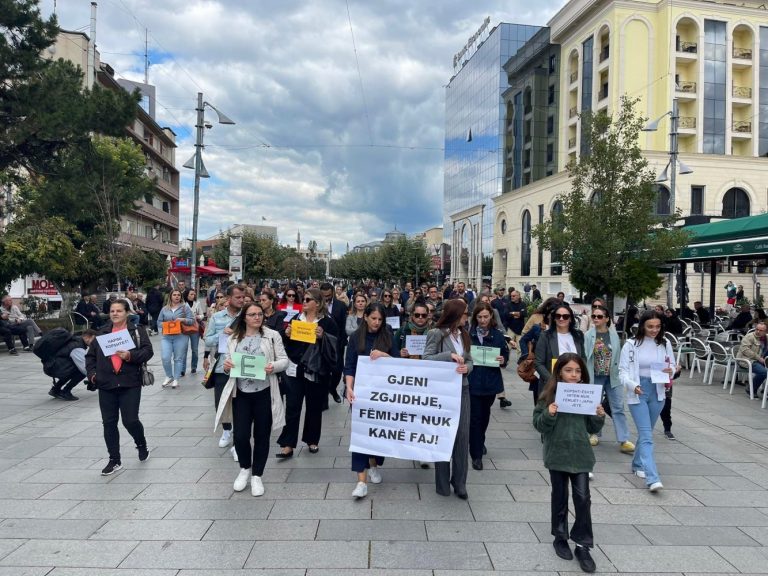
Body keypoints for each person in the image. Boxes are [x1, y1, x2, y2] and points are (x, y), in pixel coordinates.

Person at [533, 353, 605, 573]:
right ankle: (560, 536)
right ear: (559, 373)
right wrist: (550, 412)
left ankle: (583, 544)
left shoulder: (587, 394)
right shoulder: (548, 395)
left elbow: (592, 428)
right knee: (560, 496)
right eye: (568, 370)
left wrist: (599, 415)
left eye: (577, 371)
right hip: (558, 454)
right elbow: (538, 424)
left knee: (583, 498)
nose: (574, 375)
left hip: (581, 455)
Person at [218, 303, 288, 497]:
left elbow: (284, 360)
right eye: (252, 314)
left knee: (262, 435)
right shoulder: (233, 338)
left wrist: (272, 366)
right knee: (240, 435)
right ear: (244, 318)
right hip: (241, 393)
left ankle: (257, 475)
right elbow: (227, 363)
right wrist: (227, 366)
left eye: (259, 314)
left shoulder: (272, 336)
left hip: (264, 392)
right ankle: (244, 469)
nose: (257, 317)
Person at [85, 298, 153, 475]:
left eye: (119, 311)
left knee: (130, 420)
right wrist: (92, 375)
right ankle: (114, 459)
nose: (115, 314)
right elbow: (90, 357)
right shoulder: (101, 333)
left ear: (127, 313)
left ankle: (141, 442)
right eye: (112, 311)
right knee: (109, 422)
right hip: (106, 383)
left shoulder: (136, 331)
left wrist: (130, 355)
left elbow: (148, 351)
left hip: (130, 382)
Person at [276, 288, 339, 457]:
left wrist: (323, 336)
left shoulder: (327, 322)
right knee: (293, 406)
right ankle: (288, 443)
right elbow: (286, 345)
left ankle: (312, 440)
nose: (303, 302)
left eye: (308, 299)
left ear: (317, 304)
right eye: (303, 299)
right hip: (295, 368)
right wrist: (286, 334)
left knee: (314, 407)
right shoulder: (296, 319)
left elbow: (336, 346)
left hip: (316, 370)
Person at [619, 310, 676, 492]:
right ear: (642, 325)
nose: (654, 330)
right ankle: (652, 478)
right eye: (650, 326)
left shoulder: (664, 343)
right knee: (646, 436)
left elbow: (672, 366)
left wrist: (672, 371)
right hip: (638, 390)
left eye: (658, 327)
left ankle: (637, 464)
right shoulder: (631, 344)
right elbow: (622, 371)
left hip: (657, 390)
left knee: (646, 433)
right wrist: (631, 385)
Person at [344, 302, 397, 498]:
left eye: (380, 319)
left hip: (383, 394)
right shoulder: (356, 337)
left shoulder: (388, 336)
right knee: (360, 434)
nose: (376, 322)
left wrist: (384, 355)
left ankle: (374, 463)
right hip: (360, 393)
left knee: (378, 433)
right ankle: (361, 481)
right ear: (365, 317)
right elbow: (349, 366)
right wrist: (349, 387)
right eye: (373, 318)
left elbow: (399, 364)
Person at [423, 298, 473, 499]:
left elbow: (470, 360)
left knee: (462, 438)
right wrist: (448, 356)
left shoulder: (464, 335)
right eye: (464, 313)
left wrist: (467, 368)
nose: (467, 316)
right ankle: (442, 482)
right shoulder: (436, 333)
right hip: (442, 392)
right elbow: (426, 359)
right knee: (443, 437)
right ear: (455, 314)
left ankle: (460, 482)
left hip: (462, 390)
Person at [584, 304, 634, 453]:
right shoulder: (588, 335)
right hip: (595, 376)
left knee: (618, 407)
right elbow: (585, 356)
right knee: (594, 406)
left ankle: (624, 439)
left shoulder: (613, 335)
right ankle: (593, 433)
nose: (596, 319)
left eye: (599, 316)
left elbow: (618, 356)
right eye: (594, 316)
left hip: (613, 376)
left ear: (607, 319)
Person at [204, 284, 246, 454]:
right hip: (222, 366)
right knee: (221, 401)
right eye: (238, 297)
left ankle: (238, 440)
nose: (241, 300)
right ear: (228, 299)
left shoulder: (247, 315)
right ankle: (226, 430)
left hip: (242, 365)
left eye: (243, 297)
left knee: (240, 404)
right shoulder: (217, 317)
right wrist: (223, 335)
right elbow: (207, 340)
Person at [468, 302, 509, 471]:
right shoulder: (468, 334)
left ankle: (479, 440)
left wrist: (503, 360)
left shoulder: (497, 335)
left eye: (485, 316)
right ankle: (476, 455)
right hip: (472, 381)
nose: (483, 320)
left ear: (491, 316)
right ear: (475, 318)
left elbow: (504, 355)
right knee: (475, 418)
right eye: (479, 317)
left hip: (490, 383)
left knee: (484, 416)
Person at [535, 302, 586, 385]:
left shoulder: (578, 335)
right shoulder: (545, 336)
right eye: (558, 316)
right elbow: (538, 363)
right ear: (554, 318)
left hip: (575, 384)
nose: (561, 319)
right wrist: (552, 381)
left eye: (565, 316)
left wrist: (580, 375)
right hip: (552, 385)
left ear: (570, 319)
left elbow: (583, 357)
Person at [156, 289, 194, 388]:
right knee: (165, 357)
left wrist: (182, 319)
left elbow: (192, 321)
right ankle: (169, 376)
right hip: (167, 336)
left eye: (178, 295)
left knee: (178, 358)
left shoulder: (185, 307)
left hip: (181, 336)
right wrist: (166, 325)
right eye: (174, 295)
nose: (176, 296)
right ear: (170, 296)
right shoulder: (164, 309)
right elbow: (159, 322)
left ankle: (176, 379)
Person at [46, 329, 97, 401]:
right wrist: (93, 378)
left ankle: (55, 389)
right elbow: (85, 367)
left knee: (74, 368)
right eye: (94, 339)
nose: (95, 342)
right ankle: (66, 391)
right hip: (56, 367)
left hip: (53, 365)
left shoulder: (75, 341)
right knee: (80, 372)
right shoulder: (77, 347)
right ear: (87, 337)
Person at [320, 282, 347, 404]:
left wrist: (341, 342)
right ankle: (323, 399)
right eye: (324, 295)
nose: (326, 298)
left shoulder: (341, 306)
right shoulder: (316, 306)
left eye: (329, 295)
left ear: (333, 293)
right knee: (323, 371)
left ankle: (332, 388)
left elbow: (343, 326)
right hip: (321, 343)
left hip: (337, 344)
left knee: (337, 370)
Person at [735, 322, 767, 397]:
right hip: (747, 360)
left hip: (761, 360)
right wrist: (758, 358)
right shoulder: (749, 337)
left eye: (761, 330)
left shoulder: (766, 338)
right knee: (763, 372)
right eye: (757, 329)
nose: (758, 331)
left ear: (765, 331)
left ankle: (766, 391)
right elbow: (745, 350)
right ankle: (751, 388)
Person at [183, 289, 205, 376]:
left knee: (195, 349)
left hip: (195, 328)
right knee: (183, 349)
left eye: (194, 294)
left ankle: (193, 367)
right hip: (184, 328)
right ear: (187, 295)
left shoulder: (197, 303)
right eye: (191, 294)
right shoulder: (182, 304)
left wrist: (198, 316)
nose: (193, 296)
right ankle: (182, 369)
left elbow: (202, 315)